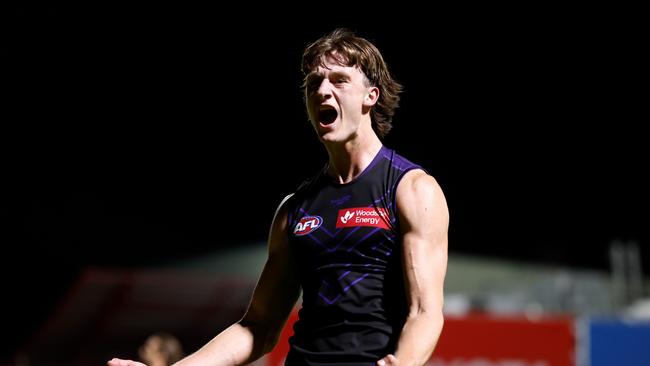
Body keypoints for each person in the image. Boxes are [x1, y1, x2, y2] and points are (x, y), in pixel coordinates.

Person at [108, 28, 448, 366]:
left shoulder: (411, 189)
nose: (323, 91)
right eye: (314, 83)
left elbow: (425, 312)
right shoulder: (296, 208)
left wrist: (402, 363)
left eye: (339, 80)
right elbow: (258, 326)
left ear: (370, 96)